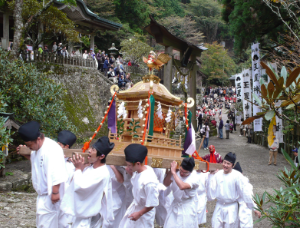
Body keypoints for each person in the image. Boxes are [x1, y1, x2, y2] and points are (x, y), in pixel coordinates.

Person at [17, 121, 67, 228]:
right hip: (42, 197)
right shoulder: (37, 148)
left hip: (50, 195)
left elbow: (56, 172)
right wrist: (24, 152)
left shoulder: (52, 149)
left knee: (50, 224)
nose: (29, 147)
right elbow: (38, 163)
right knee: (43, 224)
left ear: (38, 139)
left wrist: (55, 192)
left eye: (30, 145)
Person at [60, 136, 114, 227]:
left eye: (93, 149)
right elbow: (72, 183)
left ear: (101, 156)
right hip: (78, 217)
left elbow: (81, 187)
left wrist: (78, 168)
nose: (89, 150)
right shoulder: (90, 167)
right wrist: (80, 168)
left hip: (87, 218)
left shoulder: (102, 173)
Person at [207, 152, 256, 228]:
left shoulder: (237, 176)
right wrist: (210, 176)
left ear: (232, 165)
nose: (225, 165)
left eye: (228, 164)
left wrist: (254, 207)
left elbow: (245, 192)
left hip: (231, 207)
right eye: (224, 162)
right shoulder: (218, 174)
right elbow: (211, 192)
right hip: (219, 205)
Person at [118, 144, 160, 228]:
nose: (128, 167)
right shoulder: (141, 170)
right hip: (136, 208)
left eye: (129, 165)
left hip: (144, 213)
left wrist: (139, 214)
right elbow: (136, 180)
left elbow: (152, 203)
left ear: (138, 163)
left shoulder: (149, 182)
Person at [163, 157, 200, 228]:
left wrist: (174, 173)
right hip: (175, 205)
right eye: (181, 170)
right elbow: (166, 184)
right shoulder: (177, 173)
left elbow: (182, 186)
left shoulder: (194, 178)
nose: (182, 174)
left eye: (185, 172)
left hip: (187, 208)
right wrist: (171, 172)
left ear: (191, 171)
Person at [57, 130, 77, 227]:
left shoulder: (72, 165)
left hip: (66, 197)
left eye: (60, 145)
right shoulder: (54, 158)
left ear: (67, 147)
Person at [233, 162, 262, 228]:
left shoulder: (245, 184)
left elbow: (249, 196)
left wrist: (255, 208)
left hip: (244, 207)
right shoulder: (232, 182)